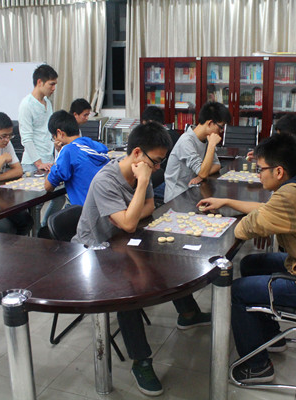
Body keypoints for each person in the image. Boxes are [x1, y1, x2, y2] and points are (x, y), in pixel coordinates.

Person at [197, 133, 296, 384]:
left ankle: (257, 367)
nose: (258, 175)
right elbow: (267, 211)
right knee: (250, 263)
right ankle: (271, 337)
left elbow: (244, 229)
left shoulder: (288, 196)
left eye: (261, 169)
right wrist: (227, 202)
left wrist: (252, 224)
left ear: (279, 171)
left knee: (237, 291)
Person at [72, 122, 211, 396]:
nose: (157, 168)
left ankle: (188, 313)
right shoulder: (106, 180)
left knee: (167, 257)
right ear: (137, 153)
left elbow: (146, 209)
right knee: (129, 291)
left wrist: (133, 210)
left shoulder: (140, 173)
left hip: (121, 242)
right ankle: (141, 361)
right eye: (155, 161)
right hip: (93, 253)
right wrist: (142, 186)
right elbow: (128, 223)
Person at [18, 63, 65, 225]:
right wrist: (38, 163)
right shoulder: (26, 105)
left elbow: (47, 131)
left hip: (48, 161)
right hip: (33, 164)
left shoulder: (47, 103)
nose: (54, 88)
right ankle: (36, 234)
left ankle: (46, 227)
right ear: (40, 82)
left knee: (59, 197)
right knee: (36, 205)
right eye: (51, 84)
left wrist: (56, 144)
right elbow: (26, 138)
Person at [163, 101, 230, 203]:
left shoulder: (206, 139)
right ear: (210, 123)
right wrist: (211, 145)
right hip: (177, 198)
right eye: (220, 127)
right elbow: (203, 173)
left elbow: (216, 165)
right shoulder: (186, 141)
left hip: (194, 191)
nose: (221, 131)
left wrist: (201, 175)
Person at [44, 110, 109, 205]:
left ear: (59, 133)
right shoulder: (94, 145)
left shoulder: (68, 151)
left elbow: (48, 186)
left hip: (85, 210)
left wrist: (59, 155)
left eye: (54, 137)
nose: (55, 140)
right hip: (106, 206)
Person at [140, 105, 178, 204]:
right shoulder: (174, 134)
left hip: (166, 183)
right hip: (177, 182)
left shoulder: (156, 139)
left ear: (149, 123)